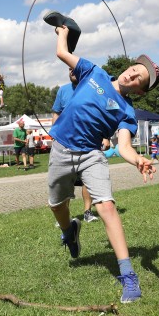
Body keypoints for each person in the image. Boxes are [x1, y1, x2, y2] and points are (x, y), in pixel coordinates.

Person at [48, 22, 159, 303]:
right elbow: (62, 53)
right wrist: (63, 31)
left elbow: (123, 146)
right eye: (134, 69)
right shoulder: (94, 72)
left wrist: (137, 159)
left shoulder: (127, 111)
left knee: (107, 206)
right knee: (57, 204)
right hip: (60, 148)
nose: (132, 76)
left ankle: (129, 278)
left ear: (141, 90)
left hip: (91, 155)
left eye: (139, 79)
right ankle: (69, 231)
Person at [52, 67, 103, 223]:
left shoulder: (91, 88)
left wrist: (104, 137)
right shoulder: (63, 90)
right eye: (69, 70)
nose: (72, 72)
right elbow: (56, 112)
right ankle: (64, 216)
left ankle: (87, 212)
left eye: (75, 69)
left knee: (87, 181)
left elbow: (99, 113)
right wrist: (54, 133)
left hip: (87, 142)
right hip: (64, 142)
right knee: (64, 181)